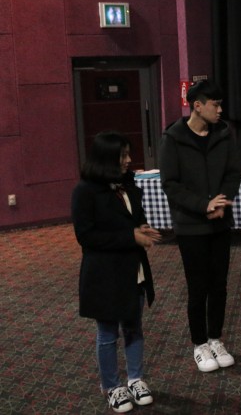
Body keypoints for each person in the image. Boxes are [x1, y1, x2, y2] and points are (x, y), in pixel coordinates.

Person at [71, 131, 161, 413]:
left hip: (133, 269)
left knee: (134, 326)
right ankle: (111, 385)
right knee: (108, 332)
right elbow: (87, 237)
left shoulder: (128, 184)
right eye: (123, 155)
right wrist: (131, 236)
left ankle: (135, 379)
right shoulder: (85, 191)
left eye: (128, 154)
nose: (129, 160)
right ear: (106, 158)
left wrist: (142, 227)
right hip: (104, 274)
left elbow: (135, 217)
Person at [159, 80, 241, 371]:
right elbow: (170, 184)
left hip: (220, 223)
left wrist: (221, 203)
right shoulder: (173, 137)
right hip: (191, 225)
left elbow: (233, 174)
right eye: (215, 105)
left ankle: (216, 338)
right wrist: (203, 205)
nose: (220, 110)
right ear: (197, 105)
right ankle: (200, 344)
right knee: (198, 287)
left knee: (219, 285)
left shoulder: (224, 133)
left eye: (220, 105)